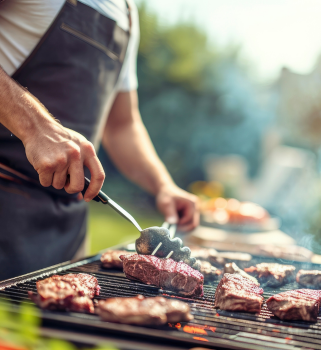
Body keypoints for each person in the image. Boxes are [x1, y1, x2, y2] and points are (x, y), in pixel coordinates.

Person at [0, 0, 199, 280]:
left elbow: (122, 125)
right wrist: (35, 126)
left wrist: (163, 185)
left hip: (68, 230)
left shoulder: (127, 14)